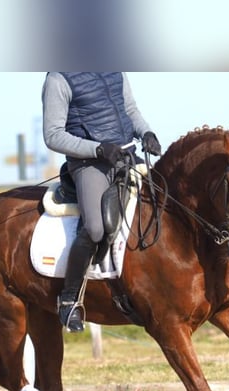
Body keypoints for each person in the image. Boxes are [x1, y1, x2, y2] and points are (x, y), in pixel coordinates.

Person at [42, 72, 161, 332]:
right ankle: (69, 299)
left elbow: (129, 109)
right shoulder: (58, 80)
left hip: (125, 155)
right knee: (95, 227)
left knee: (164, 200)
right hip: (90, 163)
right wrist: (97, 148)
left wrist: (146, 131)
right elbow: (53, 135)